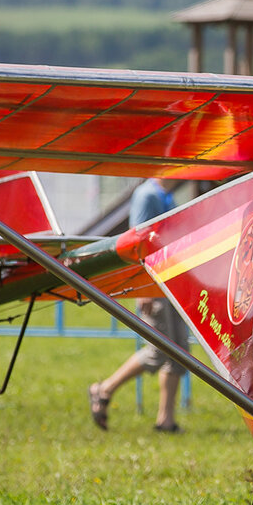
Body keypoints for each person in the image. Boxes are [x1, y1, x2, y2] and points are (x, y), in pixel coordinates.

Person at [88, 177, 189, 433]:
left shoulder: (167, 196)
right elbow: (137, 243)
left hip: (170, 284)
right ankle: (104, 389)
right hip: (152, 287)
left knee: (179, 354)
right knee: (157, 352)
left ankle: (165, 420)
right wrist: (142, 288)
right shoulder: (147, 195)